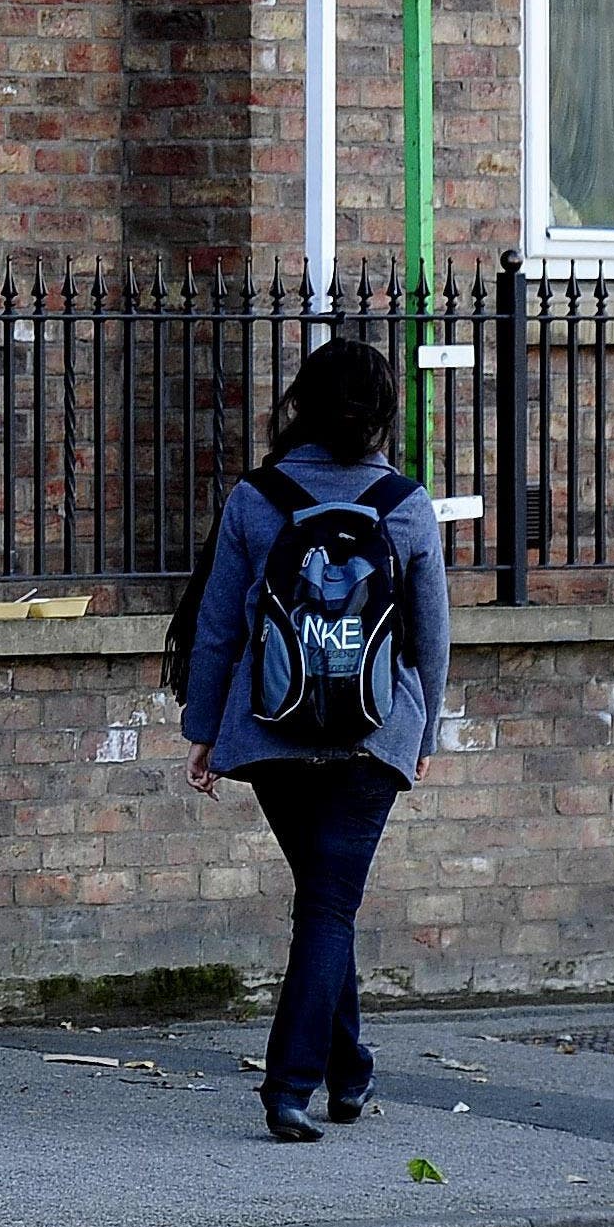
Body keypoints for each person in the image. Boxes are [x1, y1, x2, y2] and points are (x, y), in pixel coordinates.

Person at [177, 338, 452, 1143]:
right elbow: (430, 637)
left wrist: (204, 730)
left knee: (327, 902)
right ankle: (292, 1085)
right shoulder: (405, 503)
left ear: (300, 401)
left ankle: (349, 1070)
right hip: (376, 734)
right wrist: (425, 729)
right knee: (331, 904)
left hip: (273, 730)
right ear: (381, 414)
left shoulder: (256, 497)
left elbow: (220, 626)